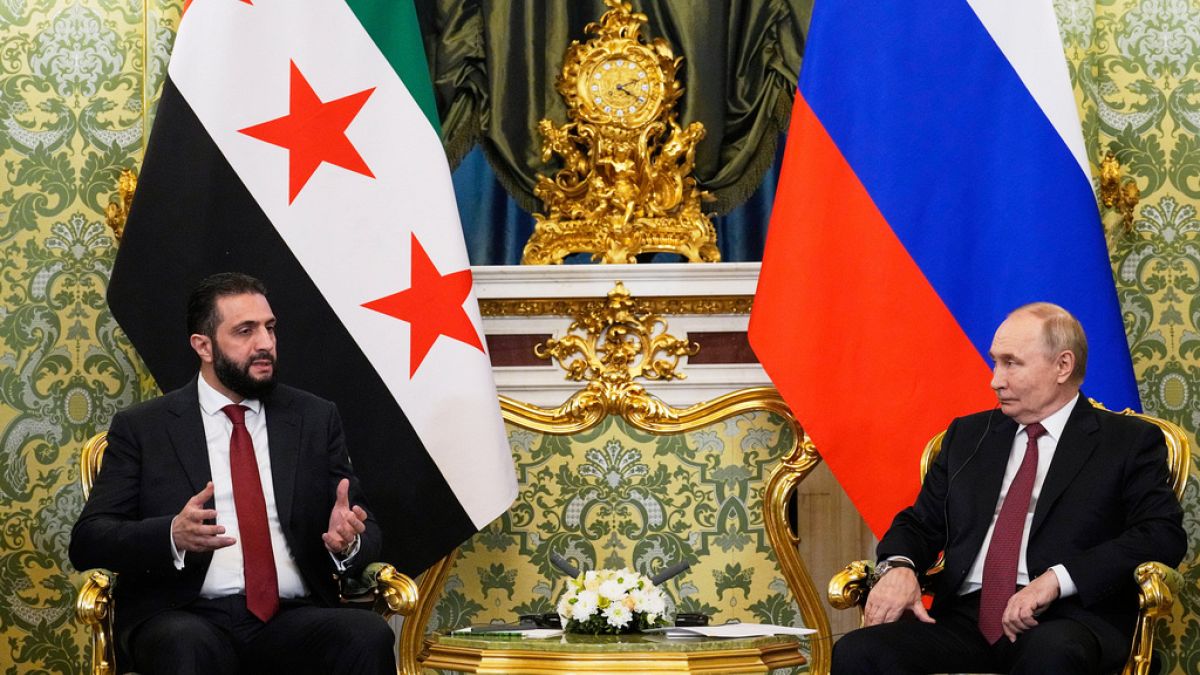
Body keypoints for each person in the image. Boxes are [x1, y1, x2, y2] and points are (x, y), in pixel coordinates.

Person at [832, 303, 1186, 674]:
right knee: (860, 651)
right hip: (965, 618)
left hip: (1066, 617)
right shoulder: (968, 436)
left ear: (1063, 366)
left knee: (1052, 651)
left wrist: (1057, 579)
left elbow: (1161, 534)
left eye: (1011, 363)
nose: (995, 380)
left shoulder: (1125, 442)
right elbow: (919, 524)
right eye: (995, 362)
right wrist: (899, 567)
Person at [70, 272, 396, 674]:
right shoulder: (145, 428)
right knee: (184, 644)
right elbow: (89, 540)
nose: (265, 343)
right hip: (186, 614)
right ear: (203, 346)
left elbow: (365, 527)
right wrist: (171, 534)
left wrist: (347, 543)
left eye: (270, 328)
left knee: (365, 634)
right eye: (245, 331)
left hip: (291, 617)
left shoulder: (313, 418)